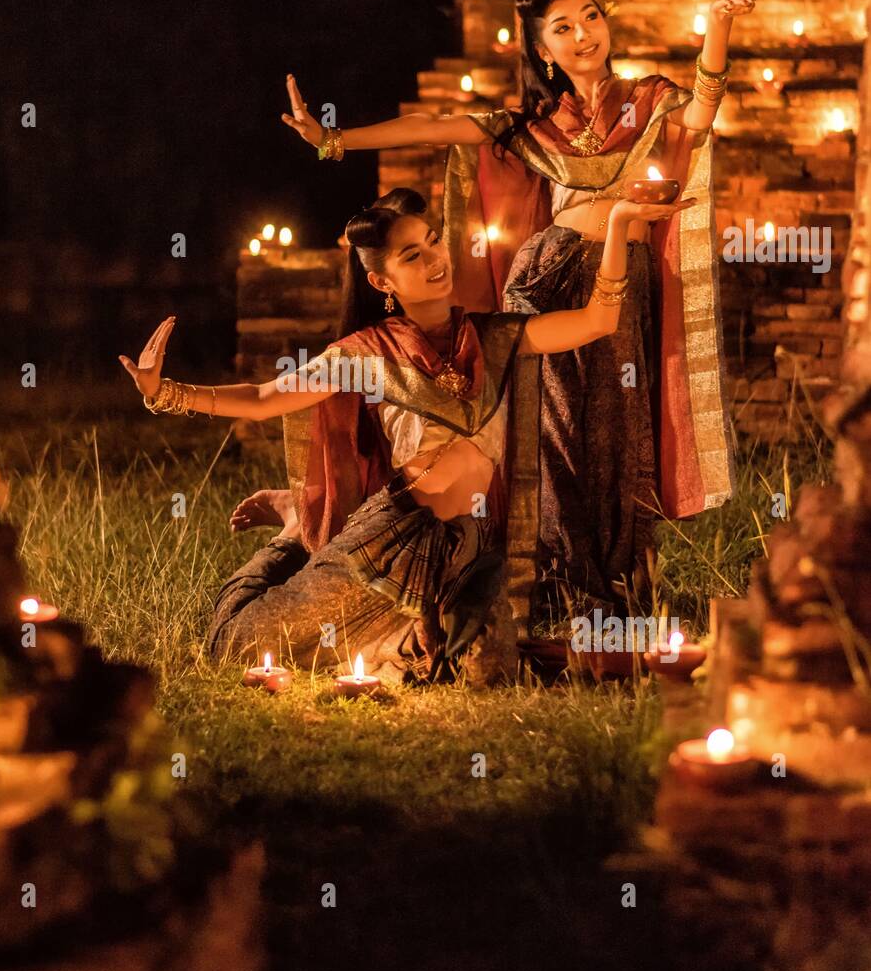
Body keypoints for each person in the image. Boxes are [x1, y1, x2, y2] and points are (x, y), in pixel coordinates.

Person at [278, 0, 754, 626]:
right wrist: (333, 139)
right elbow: (431, 125)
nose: (583, 33)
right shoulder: (532, 126)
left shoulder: (647, 101)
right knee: (549, 434)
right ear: (541, 50)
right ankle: (558, 588)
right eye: (562, 27)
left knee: (618, 428)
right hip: (541, 280)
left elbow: (701, 115)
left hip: (623, 284)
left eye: (589, 15)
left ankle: (620, 584)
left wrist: (721, 19)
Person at [120, 187, 690, 686]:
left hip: (463, 549)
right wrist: (165, 392)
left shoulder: (493, 336)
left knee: (484, 672)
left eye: (434, 241)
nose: (434, 259)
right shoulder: (367, 354)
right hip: (388, 542)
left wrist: (617, 223)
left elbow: (597, 321)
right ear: (381, 281)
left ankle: (412, 639)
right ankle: (294, 531)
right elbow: (266, 399)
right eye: (411, 255)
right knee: (236, 644)